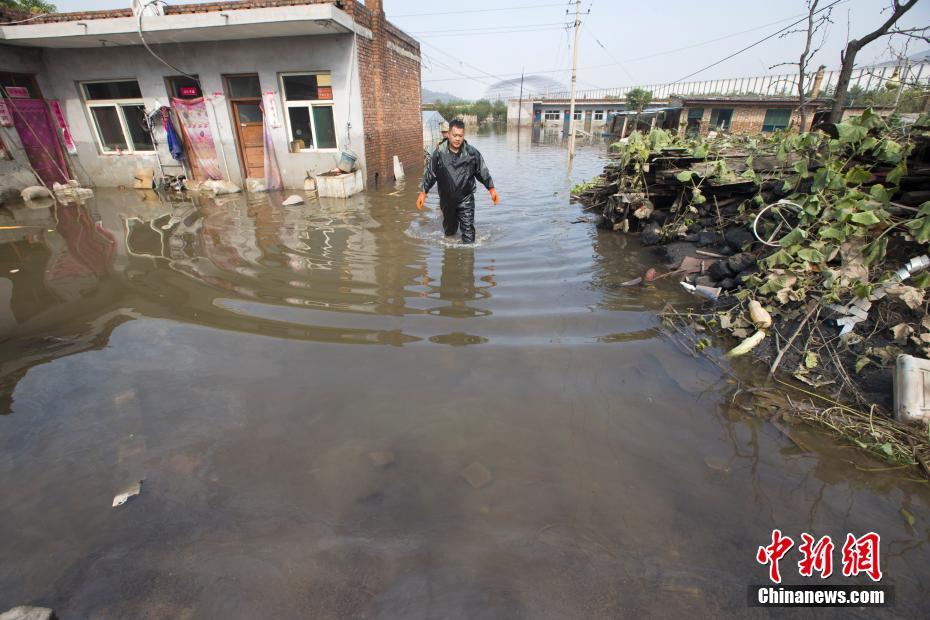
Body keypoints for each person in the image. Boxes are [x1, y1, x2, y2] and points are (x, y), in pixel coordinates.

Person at [417, 119, 499, 244]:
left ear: (463, 135)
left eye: (460, 136)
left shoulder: (472, 153)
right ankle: (450, 260)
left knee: (469, 235)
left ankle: (468, 259)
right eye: (454, 135)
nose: (457, 139)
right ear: (448, 134)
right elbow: (430, 174)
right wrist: (423, 192)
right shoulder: (439, 153)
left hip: (465, 199)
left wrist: (491, 189)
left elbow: (482, 171)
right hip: (446, 200)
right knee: (449, 233)